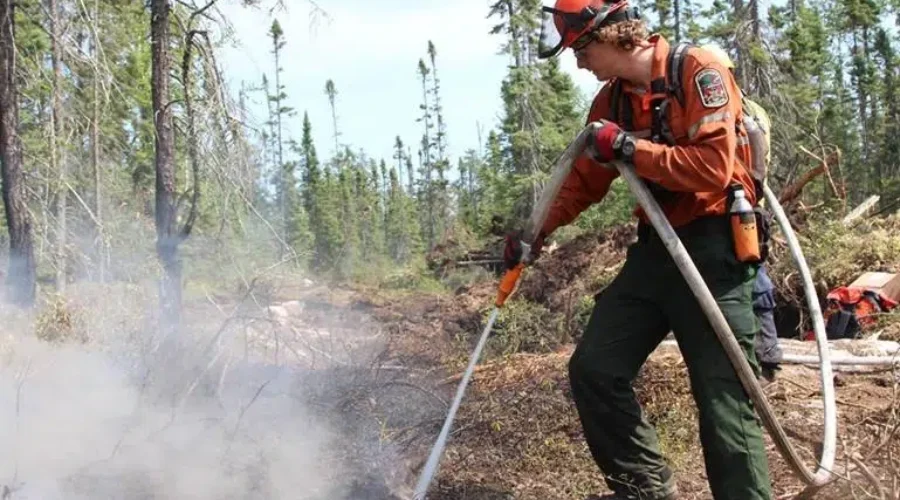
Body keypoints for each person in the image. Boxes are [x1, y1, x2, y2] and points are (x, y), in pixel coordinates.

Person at [503, 1, 773, 498]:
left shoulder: (698, 71)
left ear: (610, 35)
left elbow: (713, 168)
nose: (579, 63)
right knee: (595, 369)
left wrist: (630, 148)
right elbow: (581, 182)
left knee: (725, 403)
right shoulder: (611, 103)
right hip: (656, 253)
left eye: (581, 50)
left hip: (715, 248)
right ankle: (646, 490)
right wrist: (533, 232)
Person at [699, 43, 783, 381]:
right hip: (744, 209)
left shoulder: (745, 115)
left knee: (751, 280)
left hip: (738, 210)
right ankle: (760, 355)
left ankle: (763, 358)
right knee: (748, 279)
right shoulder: (752, 110)